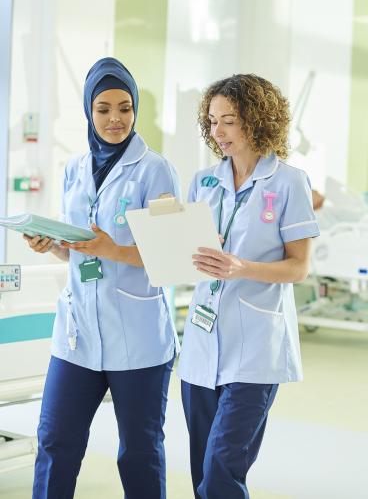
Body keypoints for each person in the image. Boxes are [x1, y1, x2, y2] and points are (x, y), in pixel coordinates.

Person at [27, 57, 180, 499]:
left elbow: (172, 258)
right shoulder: (74, 169)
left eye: (125, 108)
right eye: (104, 109)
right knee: (55, 442)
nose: (115, 119)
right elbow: (76, 245)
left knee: (138, 453)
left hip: (138, 339)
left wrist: (112, 250)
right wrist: (51, 243)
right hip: (76, 338)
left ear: (136, 110)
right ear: (88, 113)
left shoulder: (157, 171)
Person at [178, 74, 319, 498]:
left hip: (256, 346)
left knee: (222, 470)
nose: (218, 132)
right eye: (213, 121)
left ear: (257, 120)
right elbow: (189, 256)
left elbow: (299, 269)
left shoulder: (289, 182)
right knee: (202, 472)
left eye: (230, 121)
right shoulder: (203, 181)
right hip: (203, 344)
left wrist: (241, 267)